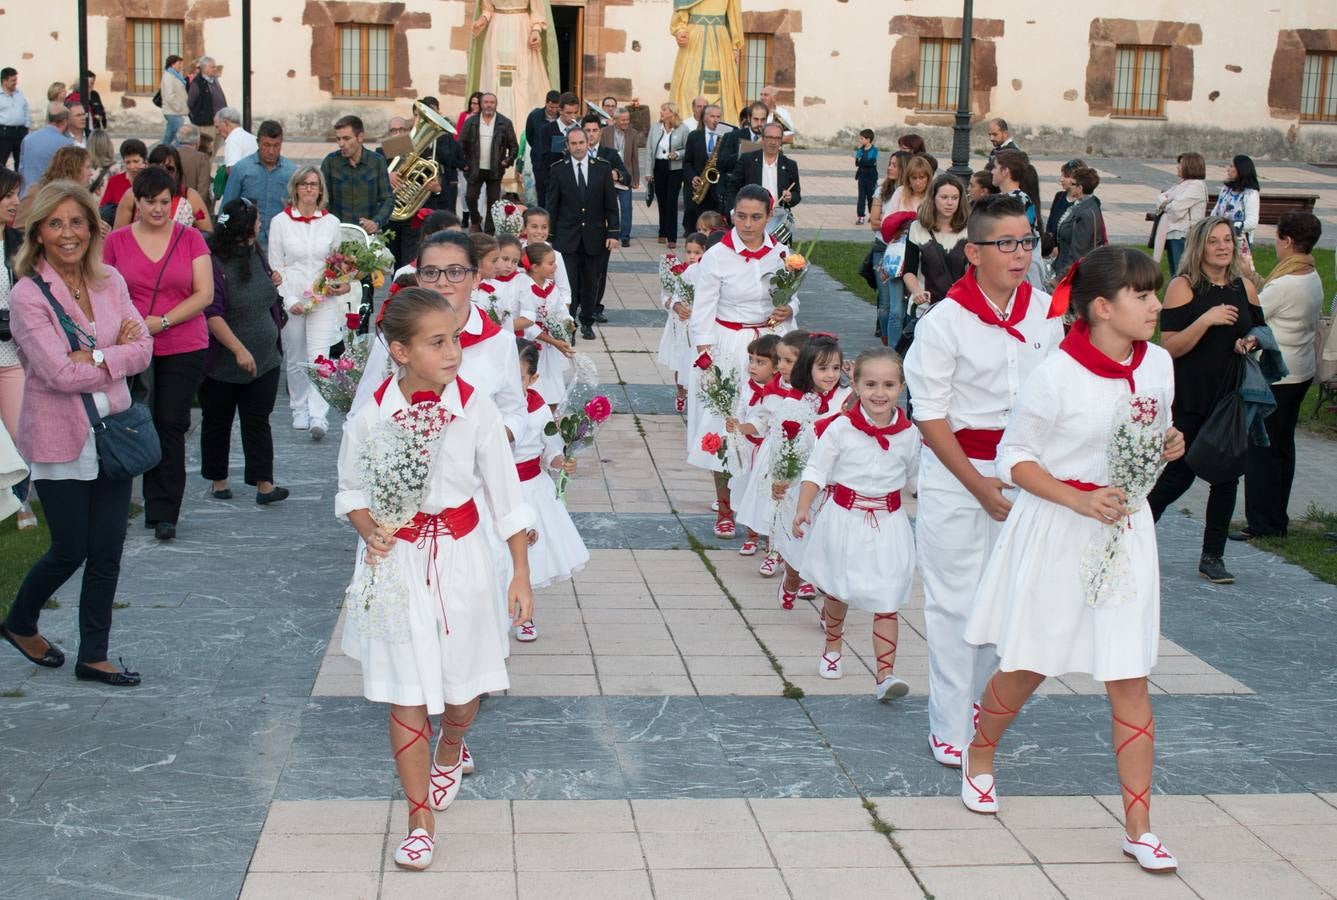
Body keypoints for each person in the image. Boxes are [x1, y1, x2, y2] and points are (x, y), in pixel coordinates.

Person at [960, 246, 1183, 877]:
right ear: (1102, 307)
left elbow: (1155, 434)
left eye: (1154, 293)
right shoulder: (1055, 373)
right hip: (1060, 529)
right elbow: (1015, 459)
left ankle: (1139, 828)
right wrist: (1078, 499)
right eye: (1142, 296)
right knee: (1030, 662)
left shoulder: (1161, 364)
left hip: (1127, 535)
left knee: (1129, 673)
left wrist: (1171, 442)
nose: (1155, 306)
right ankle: (980, 754)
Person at [335, 285, 533, 872]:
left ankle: (453, 746)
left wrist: (519, 573)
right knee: (407, 688)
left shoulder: (477, 408)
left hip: (465, 561)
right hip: (396, 565)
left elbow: (507, 496)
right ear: (399, 351)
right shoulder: (371, 415)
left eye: (455, 340)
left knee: (462, 692)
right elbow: (350, 490)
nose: (453, 353)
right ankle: (418, 817)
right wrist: (369, 528)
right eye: (437, 343)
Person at [903, 194, 1063, 768]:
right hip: (957, 477)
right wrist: (976, 485)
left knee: (1012, 601)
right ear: (973, 252)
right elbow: (929, 413)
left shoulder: (1047, 313)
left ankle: (983, 704)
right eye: (1006, 243)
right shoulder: (945, 322)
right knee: (953, 602)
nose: (1021, 254)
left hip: (1028, 477)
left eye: (1027, 241)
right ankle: (948, 721)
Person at [2, 180, 153, 684]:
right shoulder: (27, 296)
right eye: (55, 223)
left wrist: (99, 355)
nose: (67, 233)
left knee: (108, 546)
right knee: (70, 548)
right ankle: (21, 620)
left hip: (114, 431)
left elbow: (144, 347)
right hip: (59, 437)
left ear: (92, 227)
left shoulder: (110, 280)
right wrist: (118, 353)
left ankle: (95, 654)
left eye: (76, 222)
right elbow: (57, 375)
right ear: (38, 233)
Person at [793, 346, 918, 699]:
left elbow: (916, 479)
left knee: (888, 596)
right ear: (856, 385)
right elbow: (816, 470)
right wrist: (802, 508)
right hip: (844, 520)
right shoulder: (841, 430)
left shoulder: (909, 435)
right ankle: (833, 645)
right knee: (838, 588)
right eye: (872, 384)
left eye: (890, 385)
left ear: (902, 387)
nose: (880, 393)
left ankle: (885, 675)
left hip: (889, 523)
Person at [1147, 216, 1264, 585]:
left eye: (1227, 240)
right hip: (1191, 396)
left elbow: (1260, 329)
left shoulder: (1243, 286)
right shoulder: (1184, 286)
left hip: (1230, 397)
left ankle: (1212, 556)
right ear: (1200, 245)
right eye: (1214, 241)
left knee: (1227, 477)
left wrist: (1251, 342)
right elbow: (1170, 345)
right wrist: (1207, 320)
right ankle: (1131, 533)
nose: (1222, 247)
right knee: (1177, 476)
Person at [103, 166, 214, 541]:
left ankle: (164, 510)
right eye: (150, 201)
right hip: (132, 346)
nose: (158, 209)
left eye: (165, 202)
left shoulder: (190, 239)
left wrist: (162, 322)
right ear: (137, 201)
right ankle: (122, 499)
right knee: (135, 419)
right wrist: (129, 328)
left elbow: (204, 294)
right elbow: (104, 292)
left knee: (170, 421)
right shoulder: (117, 241)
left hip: (182, 343)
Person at [687, 185, 798, 539]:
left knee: (764, 425)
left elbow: (794, 300)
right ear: (731, 215)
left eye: (756, 217)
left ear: (769, 216)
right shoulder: (716, 256)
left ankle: (759, 507)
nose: (747, 224)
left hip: (769, 343)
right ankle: (723, 507)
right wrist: (705, 356)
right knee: (725, 423)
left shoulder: (781, 254)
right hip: (728, 344)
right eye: (741, 216)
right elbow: (702, 309)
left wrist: (788, 309)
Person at [1235, 212, 1324, 539]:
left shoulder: (1286, 283)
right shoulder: (1309, 273)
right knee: (1283, 448)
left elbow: (1253, 313)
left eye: (1276, 239)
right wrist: (1254, 276)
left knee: (1262, 449)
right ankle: (1276, 518)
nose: (1275, 244)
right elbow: (1270, 301)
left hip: (1278, 375)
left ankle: (1262, 523)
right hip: (1299, 371)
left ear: (1287, 241)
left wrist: (1245, 280)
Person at [201, 197, 288, 505]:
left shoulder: (254, 250)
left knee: (258, 419)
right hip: (223, 361)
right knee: (217, 420)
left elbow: (262, 288)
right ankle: (218, 480)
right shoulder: (213, 262)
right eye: (257, 220)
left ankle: (264, 484)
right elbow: (212, 313)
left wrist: (273, 279)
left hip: (265, 357)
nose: (261, 224)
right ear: (245, 227)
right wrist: (239, 350)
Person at [511, 337, 588, 641]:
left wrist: (561, 462)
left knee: (528, 555)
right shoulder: (487, 408)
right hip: (494, 490)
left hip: (531, 489)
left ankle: (524, 614)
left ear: (533, 378)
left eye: (517, 378)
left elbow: (550, 451)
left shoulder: (540, 411)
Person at [768, 334, 850, 611]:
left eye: (836, 368)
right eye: (823, 368)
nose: (830, 375)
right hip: (807, 485)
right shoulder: (795, 403)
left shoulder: (848, 399)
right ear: (807, 369)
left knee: (834, 553)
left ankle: (832, 612)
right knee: (800, 547)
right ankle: (791, 578)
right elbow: (784, 445)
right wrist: (781, 477)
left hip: (840, 487)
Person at [268, 166, 345, 438]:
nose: (309, 189)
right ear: (296, 189)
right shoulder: (280, 222)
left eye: (314, 184)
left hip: (322, 299)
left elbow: (337, 262)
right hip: (294, 298)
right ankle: (298, 408)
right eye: (304, 184)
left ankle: (318, 415)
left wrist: (337, 284)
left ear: (320, 189)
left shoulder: (332, 223)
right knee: (296, 356)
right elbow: (276, 266)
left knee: (320, 357)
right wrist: (289, 300)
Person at [732, 329, 808, 575]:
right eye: (780, 360)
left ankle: (800, 561)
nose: (781, 366)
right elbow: (763, 419)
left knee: (799, 505)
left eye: (788, 361)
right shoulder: (774, 389)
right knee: (775, 503)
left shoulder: (813, 394)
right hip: (775, 453)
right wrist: (743, 428)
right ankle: (774, 551)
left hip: (803, 456)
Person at [544, 126, 619, 341]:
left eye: (581, 143)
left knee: (591, 282)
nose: (578, 147)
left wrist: (613, 232)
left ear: (588, 144)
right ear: (567, 146)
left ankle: (587, 321)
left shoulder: (602, 168)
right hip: (566, 238)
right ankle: (570, 324)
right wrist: (549, 239)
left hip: (595, 237)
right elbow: (552, 205)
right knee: (569, 284)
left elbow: (610, 204)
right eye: (573, 143)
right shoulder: (558, 169)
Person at [0, 167, 35, 528]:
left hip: (11, 353)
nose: (15, 202)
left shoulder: (18, 243)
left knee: (17, 430)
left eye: (16, 195)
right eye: (8, 195)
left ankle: (20, 501)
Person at [900, 174, 969, 351]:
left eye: (954, 198)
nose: (949, 203)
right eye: (944, 197)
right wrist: (916, 291)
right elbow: (909, 270)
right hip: (924, 308)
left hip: (958, 308)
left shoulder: (969, 229)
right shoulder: (918, 228)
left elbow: (975, 271)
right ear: (933, 198)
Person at [465, 0, 559, 124]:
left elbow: (537, 11)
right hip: (496, 30)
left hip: (521, 30)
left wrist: (536, 30)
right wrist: (483, 18)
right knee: (494, 77)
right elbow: (487, 9)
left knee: (522, 78)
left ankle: (522, 127)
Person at [581, 115, 629, 323]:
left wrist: (616, 174)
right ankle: (578, 304)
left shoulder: (609, 154)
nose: (591, 134)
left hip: (601, 219)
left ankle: (594, 306)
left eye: (594, 131)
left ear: (600, 132)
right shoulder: (575, 151)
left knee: (599, 267)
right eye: (587, 131)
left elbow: (627, 176)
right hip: (578, 219)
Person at [220, 120, 296, 248]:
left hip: (281, 241)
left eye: (276, 145)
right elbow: (227, 205)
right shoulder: (241, 169)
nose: (271, 151)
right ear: (258, 143)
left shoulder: (291, 171)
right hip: (246, 241)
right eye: (266, 145)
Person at [670, 0, 744, 128]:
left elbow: (733, 14)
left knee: (722, 86)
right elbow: (680, 12)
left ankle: (723, 129)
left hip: (720, 42)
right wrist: (680, 31)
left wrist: (734, 46)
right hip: (693, 40)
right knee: (689, 85)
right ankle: (687, 127)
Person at [322, 115, 394, 239]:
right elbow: (322, 199)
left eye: (346, 138)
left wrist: (376, 222)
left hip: (368, 235)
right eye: (338, 139)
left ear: (360, 137)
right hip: (337, 234)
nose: (341, 144)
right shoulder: (330, 162)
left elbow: (387, 198)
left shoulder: (377, 161)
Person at [458, 93, 518, 235]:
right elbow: (461, 144)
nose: (489, 105)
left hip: (495, 170)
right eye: (486, 102)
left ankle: (489, 233)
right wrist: (464, 163)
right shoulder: (471, 122)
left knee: (493, 202)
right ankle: (476, 219)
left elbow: (514, 146)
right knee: (470, 197)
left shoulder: (505, 123)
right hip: (474, 168)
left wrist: (507, 161)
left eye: (492, 102)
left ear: (496, 104)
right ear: (481, 104)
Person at [113, 146, 212, 233]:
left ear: (178, 172)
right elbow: (118, 236)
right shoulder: (132, 195)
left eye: (169, 169)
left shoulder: (190, 197)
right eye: (158, 168)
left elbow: (207, 233)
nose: (163, 173)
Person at [723, 122, 800, 219]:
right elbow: (732, 188)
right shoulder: (747, 160)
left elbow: (796, 194)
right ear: (763, 139)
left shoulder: (790, 165)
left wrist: (790, 197)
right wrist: (732, 212)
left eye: (777, 138)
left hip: (777, 218)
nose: (773, 142)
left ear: (781, 141)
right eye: (769, 138)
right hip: (751, 217)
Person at [681, 103, 734, 235]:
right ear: (704, 118)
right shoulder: (694, 136)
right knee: (694, 224)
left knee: (715, 225)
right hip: (699, 187)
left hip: (717, 188)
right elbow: (687, 162)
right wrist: (693, 177)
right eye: (712, 116)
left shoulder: (726, 136)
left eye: (718, 116)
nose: (716, 120)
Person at [1153, 152, 1208, 274]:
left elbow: (1176, 210)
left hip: (1184, 234)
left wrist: (1166, 204)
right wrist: (1168, 202)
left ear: (1190, 166)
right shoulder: (1181, 184)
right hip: (1172, 232)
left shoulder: (1197, 185)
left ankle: (1182, 292)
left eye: (1181, 164)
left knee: (1181, 272)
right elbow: (1159, 199)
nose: (1177, 167)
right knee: (1175, 271)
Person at [646, 102, 690, 249]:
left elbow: (687, 149)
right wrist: (648, 172)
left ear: (672, 112)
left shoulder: (683, 129)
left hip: (675, 169)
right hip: (659, 167)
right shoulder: (655, 127)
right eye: (662, 109)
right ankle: (662, 231)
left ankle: (672, 236)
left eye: (664, 109)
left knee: (671, 202)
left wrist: (677, 154)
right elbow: (649, 150)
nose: (661, 111)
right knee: (662, 201)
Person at [1053, 165, 1106, 281]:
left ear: (1080, 188)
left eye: (1072, 184)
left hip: (1072, 276)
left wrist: (1059, 279)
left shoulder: (1086, 213)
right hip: (1064, 268)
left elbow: (1077, 253)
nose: (1069, 186)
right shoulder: (1082, 205)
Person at [603, 107, 642, 247]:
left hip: (626, 176)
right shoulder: (605, 132)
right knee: (609, 207)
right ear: (616, 120)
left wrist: (636, 179)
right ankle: (611, 232)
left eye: (628, 120)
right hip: (609, 176)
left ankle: (625, 236)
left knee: (626, 208)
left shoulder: (633, 133)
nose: (626, 122)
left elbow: (635, 157)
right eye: (623, 120)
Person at [17, 103, 73, 198]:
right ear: (65, 121)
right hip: (50, 197)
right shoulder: (67, 144)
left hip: (27, 195)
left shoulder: (28, 138)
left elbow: (21, 168)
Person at [1211, 154, 1261, 249]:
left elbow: (1252, 222)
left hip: (1238, 241)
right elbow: (1216, 210)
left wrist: (1234, 227)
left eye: (1231, 166)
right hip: (1218, 236)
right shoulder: (1226, 189)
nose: (1228, 170)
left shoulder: (1250, 194)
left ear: (1241, 170)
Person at [98, 139, 146, 225]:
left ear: (144, 161)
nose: (132, 167)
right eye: (128, 162)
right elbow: (103, 210)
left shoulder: (152, 181)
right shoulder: (114, 181)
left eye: (136, 161)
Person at [524, 90, 561, 204]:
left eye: (557, 108)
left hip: (558, 160)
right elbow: (529, 136)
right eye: (551, 107)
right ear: (546, 103)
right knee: (541, 191)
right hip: (540, 161)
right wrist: (538, 149)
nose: (554, 110)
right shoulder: (534, 116)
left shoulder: (563, 117)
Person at [187, 56, 226, 148]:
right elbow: (189, 103)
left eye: (215, 66)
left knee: (216, 147)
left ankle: (209, 163)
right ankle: (204, 163)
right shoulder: (198, 83)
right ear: (204, 68)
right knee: (206, 149)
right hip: (206, 124)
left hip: (219, 122)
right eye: (212, 67)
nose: (214, 69)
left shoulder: (214, 80)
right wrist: (199, 116)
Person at [175, 124, 214, 213]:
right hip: (193, 207)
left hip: (174, 206)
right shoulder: (201, 158)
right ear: (197, 140)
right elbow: (203, 188)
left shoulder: (171, 154)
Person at [868, 149, 910, 231]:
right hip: (882, 242)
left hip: (906, 242)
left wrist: (884, 218)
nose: (889, 168)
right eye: (890, 164)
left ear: (905, 168)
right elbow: (874, 224)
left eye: (894, 165)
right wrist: (899, 223)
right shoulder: (881, 190)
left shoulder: (913, 192)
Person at [1045, 158, 1085, 245]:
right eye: (1061, 175)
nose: (1061, 179)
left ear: (1076, 180)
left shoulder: (1086, 203)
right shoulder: (1059, 196)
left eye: (1065, 176)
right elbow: (1050, 224)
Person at [0, 67, 30, 170]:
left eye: (16, 80)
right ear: (4, 81)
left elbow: (26, 109)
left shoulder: (19, 93)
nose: (15, 83)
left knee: (21, 161)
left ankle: (19, 184)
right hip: (4, 133)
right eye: (13, 80)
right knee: (1, 162)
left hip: (20, 132)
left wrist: (26, 126)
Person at [215, 107, 256, 174]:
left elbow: (233, 170)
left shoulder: (233, 140)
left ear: (226, 123)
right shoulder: (253, 138)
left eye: (217, 127)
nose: (217, 132)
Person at [159, 55, 189, 147]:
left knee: (168, 138)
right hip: (173, 112)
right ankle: (179, 155)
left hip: (174, 111)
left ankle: (160, 154)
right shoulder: (169, 76)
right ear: (172, 64)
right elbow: (169, 95)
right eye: (179, 64)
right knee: (180, 138)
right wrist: (178, 107)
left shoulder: (175, 75)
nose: (181, 66)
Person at [854, 130, 879, 225]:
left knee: (871, 197)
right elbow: (857, 163)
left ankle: (872, 214)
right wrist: (863, 162)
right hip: (862, 176)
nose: (860, 140)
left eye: (862, 138)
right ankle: (860, 216)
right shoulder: (860, 150)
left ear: (868, 139)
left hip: (871, 177)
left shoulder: (874, 150)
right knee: (861, 197)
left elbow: (872, 162)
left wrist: (862, 162)